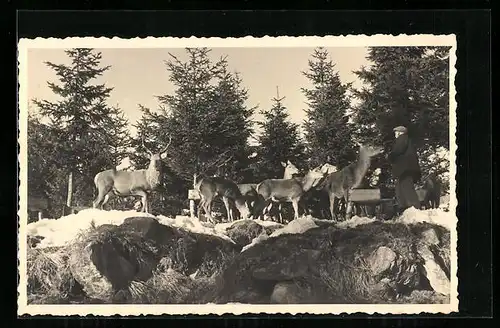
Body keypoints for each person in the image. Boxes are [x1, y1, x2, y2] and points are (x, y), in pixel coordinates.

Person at [387, 125, 422, 213]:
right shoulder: (408, 140)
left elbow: (398, 150)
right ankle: (405, 209)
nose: (395, 134)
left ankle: (415, 209)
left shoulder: (402, 139)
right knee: (401, 189)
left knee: (407, 189)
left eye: (396, 132)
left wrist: (390, 156)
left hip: (404, 169)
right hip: (405, 170)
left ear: (399, 132)